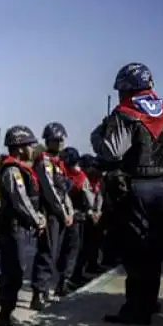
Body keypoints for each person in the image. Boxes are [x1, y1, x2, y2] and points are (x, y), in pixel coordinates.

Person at [91, 62, 163, 324]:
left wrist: (100, 133)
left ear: (127, 89)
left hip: (136, 189)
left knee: (134, 249)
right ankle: (149, 301)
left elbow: (111, 151)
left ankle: (135, 309)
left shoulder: (126, 114)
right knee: (154, 250)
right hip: (162, 189)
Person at [0, 126, 46, 326]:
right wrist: (37, 220)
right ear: (19, 147)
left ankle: (6, 313)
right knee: (12, 272)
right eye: (29, 144)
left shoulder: (20, 168)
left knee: (17, 270)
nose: (32, 148)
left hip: (20, 227)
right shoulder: (12, 170)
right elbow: (21, 201)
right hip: (13, 228)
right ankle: (3, 317)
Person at [30, 122, 74, 309]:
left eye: (62, 139)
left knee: (54, 253)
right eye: (57, 140)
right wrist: (63, 212)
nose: (61, 143)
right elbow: (50, 191)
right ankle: (38, 293)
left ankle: (45, 290)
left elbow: (64, 192)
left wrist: (69, 211)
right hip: (50, 214)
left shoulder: (59, 163)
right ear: (49, 141)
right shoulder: (45, 162)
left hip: (60, 214)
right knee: (46, 253)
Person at [54, 146, 95, 295]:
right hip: (77, 218)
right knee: (73, 249)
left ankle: (65, 277)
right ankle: (65, 281)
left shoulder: (60, 174)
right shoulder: (80, 177)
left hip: (63, 216)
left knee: (64, 249)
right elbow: (89, 199)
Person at [70, 153, 104, 285]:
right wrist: (92, 213)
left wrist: (98, 211)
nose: (95, 169)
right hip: (82, 216)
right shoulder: (82, 179)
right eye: (92, 167)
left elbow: (99, 196)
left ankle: (85, 269)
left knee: (90, 245)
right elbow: (87, 198)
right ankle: (74, 276)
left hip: (93, 216)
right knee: (79, 248)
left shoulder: (96, 180)